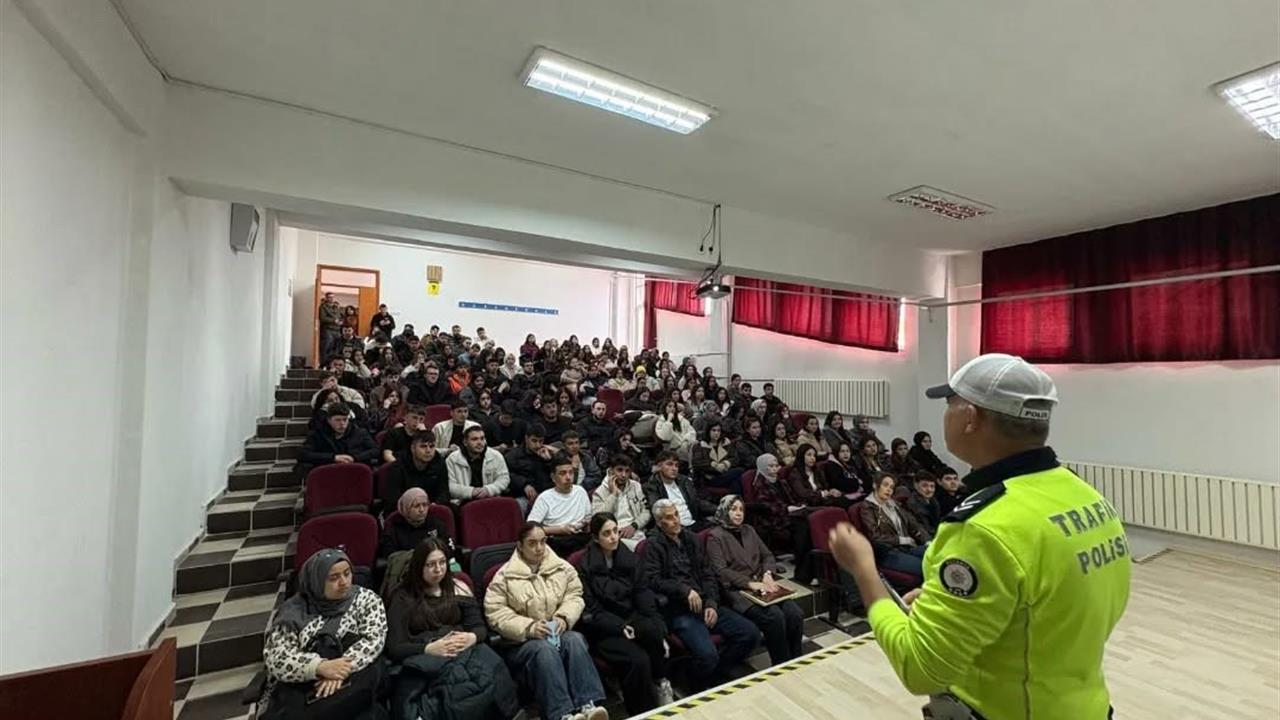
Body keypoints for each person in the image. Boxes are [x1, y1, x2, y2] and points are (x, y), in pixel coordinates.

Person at [829, 353, 1131, 720]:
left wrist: (864, 571)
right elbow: (1057, 604)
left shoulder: (982, 528)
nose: (945, 415)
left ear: (970, 417)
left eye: (949, 404)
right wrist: (975, 605)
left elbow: (919, 667)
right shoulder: (1086, 497)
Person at [484, 523, 610, 720]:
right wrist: (529, 627)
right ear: (520, 546)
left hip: (557, 632)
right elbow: (496, 613)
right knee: (544, 650)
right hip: (522, 643)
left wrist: (563, 617)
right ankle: (561, 714)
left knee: (575, 640)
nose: (539, 548)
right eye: (532, 543)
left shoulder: (562, 567)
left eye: (543, 542)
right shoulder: (504, 576)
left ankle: (588, 705)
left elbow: (575, 595)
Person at [385, 539, 519, 720]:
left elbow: (479, 627)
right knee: (450, 691)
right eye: (430, 565)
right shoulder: (402, 597)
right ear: (418, 567)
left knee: (491, 671)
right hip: (425, 654)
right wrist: (429, 648)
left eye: (442, 562)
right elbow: (395, 646)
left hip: (464, 648)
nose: (438, 569)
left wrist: (471, 637)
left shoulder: (458, 588)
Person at [642, 500, 761, 691]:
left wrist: (712, 603)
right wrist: (684, 590)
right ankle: (692, 680)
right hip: (679, 610)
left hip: (705, 602)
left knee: (751, 634)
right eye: (669, 517)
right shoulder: (652, 546)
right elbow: (653, 581)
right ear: (659, 522)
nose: (675, 520)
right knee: (707, 656)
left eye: (676, 514)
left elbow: (708, 574)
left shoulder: (691, 538)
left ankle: (716, 673)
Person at [259, 549, 387, 719]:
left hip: (353, 680)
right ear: (316, 581)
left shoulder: (366, 600)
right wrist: (320, 667)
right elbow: (277, 657)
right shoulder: (293, 612)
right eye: (334, 578)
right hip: (305, 687)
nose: (344, 582)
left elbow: (373, 640)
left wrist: (340, 670)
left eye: (347, 574)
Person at [577, 513, 673, 713]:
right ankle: (642, 712)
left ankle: (661, 682)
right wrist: (619, 626)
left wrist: (655, 625)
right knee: (639, 660)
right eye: (606, 534)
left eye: (615, 531)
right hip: (606, 629)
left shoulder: (629, 557)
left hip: (632, 618)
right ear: (595, 538)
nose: (613, 537)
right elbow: (591, 609)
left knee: (654, 630)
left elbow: (642, 592)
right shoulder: (584, 565)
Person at [705, 496, 803, 666]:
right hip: (737, 591)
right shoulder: (715, 537)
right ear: (724, 511)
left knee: (795, 613)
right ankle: (782, 664)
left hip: (763, 583)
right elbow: (721, 571)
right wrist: (749, 583)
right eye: (733, 509)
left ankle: (797, 659)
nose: (738, 513)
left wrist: (767, 573)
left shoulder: (749, 530)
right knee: (775, 616)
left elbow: (767, 555)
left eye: (741, 509)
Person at [856, 473, 932, 577]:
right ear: (875, 485)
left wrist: (927, 541)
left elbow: (914, 524)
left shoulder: (893, 504)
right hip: (888, 552)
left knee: (939, 554)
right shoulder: (868, 507)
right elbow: (874, 536)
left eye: (891, 487)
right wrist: (901, 540)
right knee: (926, 566)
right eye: (885, 485)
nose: (889, 490)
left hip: (907, 548)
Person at [529, 454, 593, 556]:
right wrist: (559, 530)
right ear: (553, 477)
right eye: (562, 473)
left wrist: (585, 524)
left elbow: (588, 519)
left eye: (571, 473)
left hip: (580, 538)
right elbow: (531, 528)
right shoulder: (545, 497)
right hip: (556, 540)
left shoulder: (580, 491)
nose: (568, 477)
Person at [297, 403, 378, 479]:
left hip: (354, 472)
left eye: (345, 420)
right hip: (328, 473)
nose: (342, 423)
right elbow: (303, 454)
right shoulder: (317, 434)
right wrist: (333, 458)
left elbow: (375, 450)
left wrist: (355, 458)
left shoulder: (360, 432)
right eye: (337, 420)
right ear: (329, 420)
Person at [642, 451, 715, 533]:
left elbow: (697, 502)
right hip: (674, 528)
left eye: (676, 465)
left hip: (694, 523)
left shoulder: (684, 481)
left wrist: (717, 509)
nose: (674, 468)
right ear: (659, 466)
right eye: (669, 464)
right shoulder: (652, 486)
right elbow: (659, 512)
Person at [590, 455, 651, 549]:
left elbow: (646, 511)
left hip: (636, 530)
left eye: (627, 471)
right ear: (611, 471)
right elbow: (598, 520)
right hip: (614, 535)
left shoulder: (636, 486)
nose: (624, 475)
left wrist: (634, 525)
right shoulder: (600, 492)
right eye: (620, 470)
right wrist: (614, 495)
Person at [381, 431, 449, 517]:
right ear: (413, 448)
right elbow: (393, 498)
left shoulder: (439, 463)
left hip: (429, 509)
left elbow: (444, 492)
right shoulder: (398, 466)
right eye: (423, 446)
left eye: (432, 446)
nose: (428, 451)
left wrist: (435, 504)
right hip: (403, 511)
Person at [379, 488, 456, 561]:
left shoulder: (436, 524)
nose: (421, 510)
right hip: (407, 567)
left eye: (425, 505)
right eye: (416, 506)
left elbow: (449, 548)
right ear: (406, 508)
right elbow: (391, 555)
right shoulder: (394, 527)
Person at [445, 426, 510, 503]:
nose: (479, 442)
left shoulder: (496, 456)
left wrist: (488, 489)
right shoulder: (453, 459)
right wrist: (471, 491)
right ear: (465, 442)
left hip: (490, 498)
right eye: (474, 439)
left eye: (482, 438)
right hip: (463, 501)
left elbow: (504, 478)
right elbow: (449, 485)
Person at [505, 424, 556, 513]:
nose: (538, 445)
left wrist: (549, 461)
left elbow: (556, 475)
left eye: (541, 441)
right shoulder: (513, 455)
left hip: (546, 494)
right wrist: (524, 484)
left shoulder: (547, 454)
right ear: (526, 438)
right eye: (534, 441)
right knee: (518, 507)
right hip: (523, 495)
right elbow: (507, 475)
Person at [786, 444, 847, 508]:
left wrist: (831, 491)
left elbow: (825, 486)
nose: (812, 458)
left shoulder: (816, 470)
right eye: (809, 455)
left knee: (843, 498)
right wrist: (822, 493)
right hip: (809, 504)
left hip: (822, 500)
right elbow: (802, 493)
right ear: (801, 456)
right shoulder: (795, 474)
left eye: (814, 455)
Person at [318, 292, 344, 362]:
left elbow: (340, 316)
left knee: (337, 347)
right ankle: (324, 362)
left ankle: (334, 362)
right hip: (328, 329)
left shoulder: (336, 307)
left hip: (337, 329)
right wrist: (333, 320)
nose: (331, 299)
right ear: (326, 298)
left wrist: (341, 321)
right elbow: (322, 318)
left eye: (332, 297)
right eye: (329, 297)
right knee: (327, 347)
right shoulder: (323, 307)